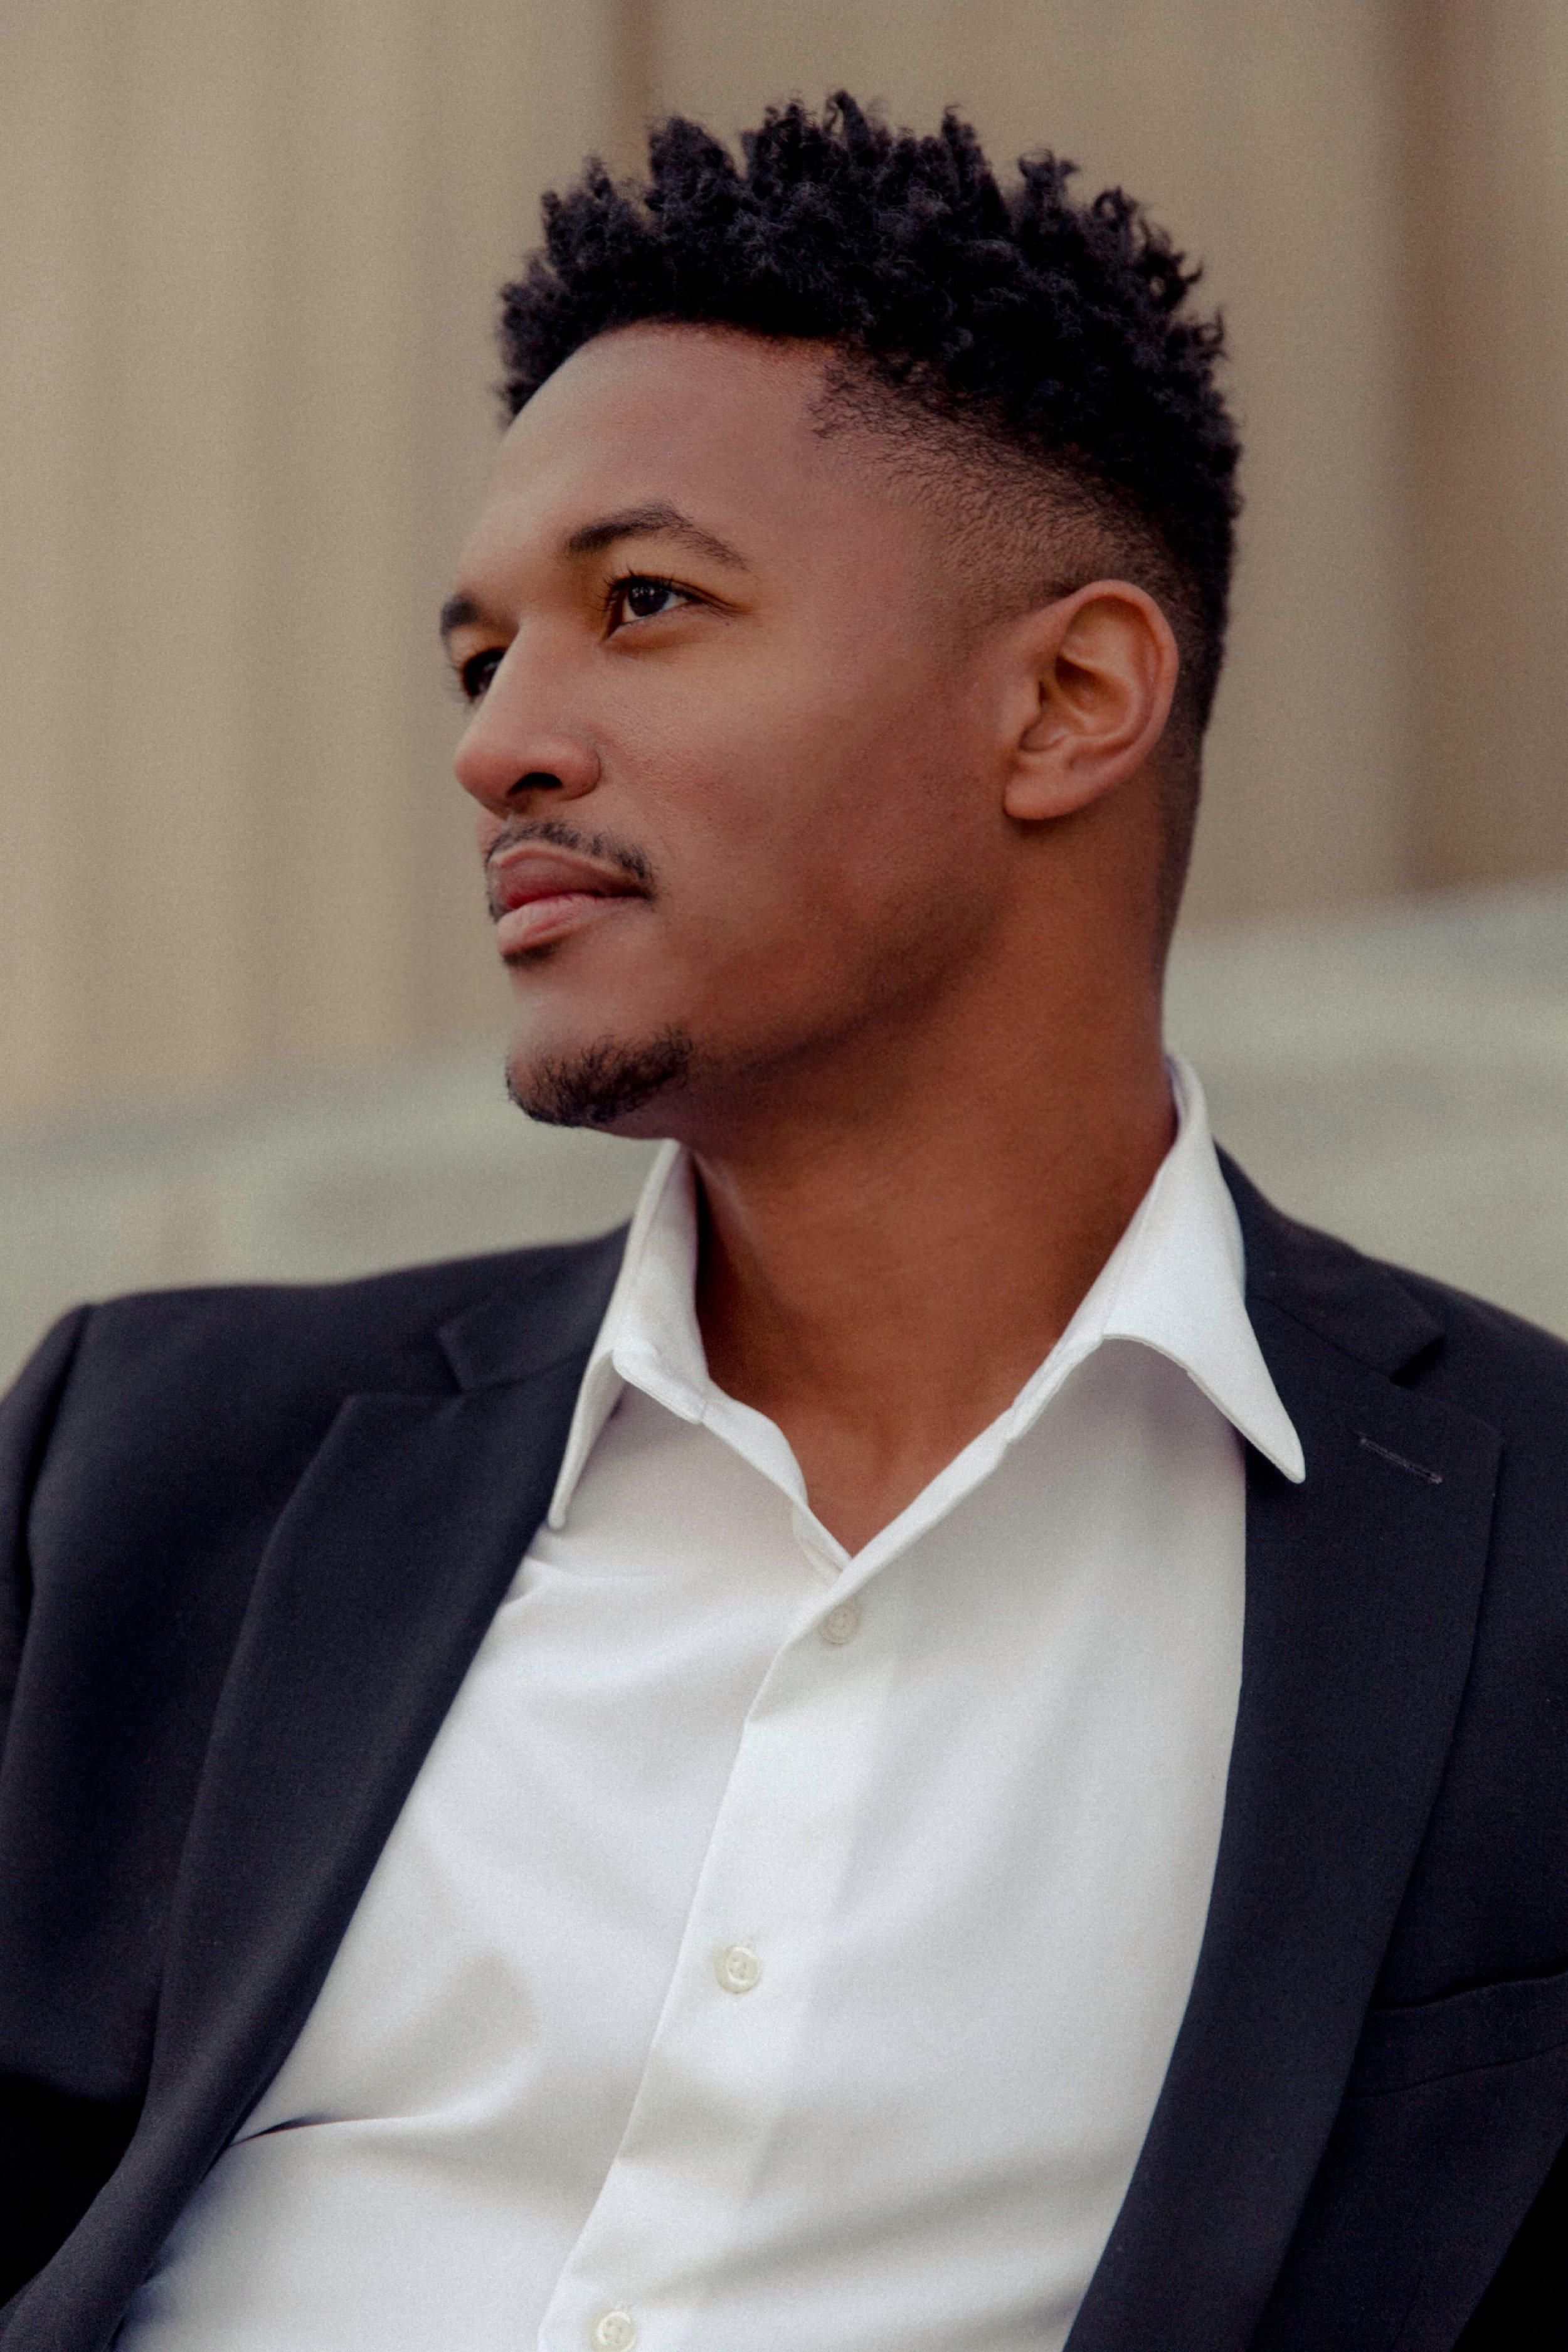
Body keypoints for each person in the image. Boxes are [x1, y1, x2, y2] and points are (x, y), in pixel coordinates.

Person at [1, 93, 1562, 2352]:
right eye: (478, 656)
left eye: (642, 605)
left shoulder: (1517, 1567)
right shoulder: (145, 1471)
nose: (499, 741)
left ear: (1067, 698)